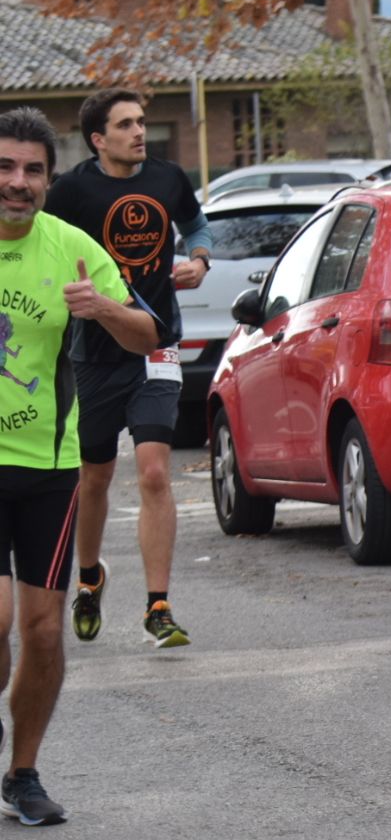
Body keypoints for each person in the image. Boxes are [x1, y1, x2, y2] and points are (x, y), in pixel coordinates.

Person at [0, 106, 159, 826]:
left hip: (47, 466)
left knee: (40, 629)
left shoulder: (72, 247)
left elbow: (146, 332)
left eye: (32, 170)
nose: (18, 182)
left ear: (49, 178)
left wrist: (101, 307)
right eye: (5, 167)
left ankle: (23, 773)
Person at [42, 89, 213, 650]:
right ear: (99, 139)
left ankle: (157, 606)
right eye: (126, 124)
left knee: (155, 473)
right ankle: (89, 579)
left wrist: (199, 260)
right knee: (94, 478)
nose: (140, 131)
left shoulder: (167, 177)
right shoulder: (70, 191)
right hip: (91, 355)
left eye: (142, 122)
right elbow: (42, 250)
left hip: (156, 345)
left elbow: (198, 226)